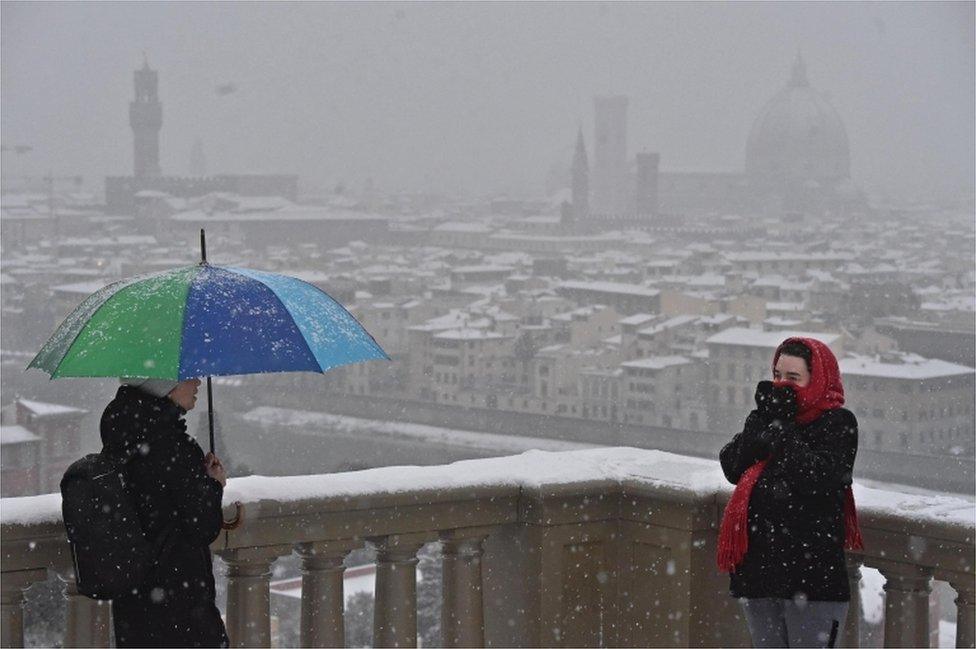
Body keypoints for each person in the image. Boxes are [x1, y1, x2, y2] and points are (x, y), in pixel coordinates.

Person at [718, 337, 863, 649]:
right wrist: (758, 424)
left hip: (813, 582)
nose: (782, 385)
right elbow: (732, 466)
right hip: (760, 577)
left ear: (817, 380)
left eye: (793, 378)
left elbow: (819, 479)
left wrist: (782, 430)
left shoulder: (837, 423)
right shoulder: (767, 419)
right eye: (777, 376)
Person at [101, 376, 230, 648]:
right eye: (186, 377)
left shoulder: (122, 433)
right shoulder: (172, 446)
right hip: (179, 601)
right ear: (163, 386)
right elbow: (202, 527)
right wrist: (214, 485)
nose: (196, 382)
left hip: (134, 601)